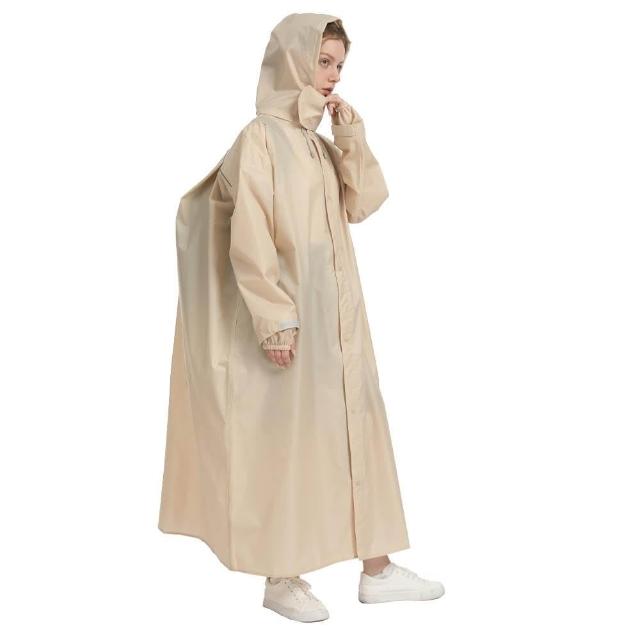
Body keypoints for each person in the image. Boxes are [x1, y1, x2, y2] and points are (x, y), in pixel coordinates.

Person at [158, 13, 445, 623]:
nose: (333, 74)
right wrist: (273, 319)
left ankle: (377, 568)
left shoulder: (317, 144)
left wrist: (350, 136)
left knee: (357, 429)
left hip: (339, 317)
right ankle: (281, 577)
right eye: (323, 61)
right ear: (292, 61)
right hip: (290, 320)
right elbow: (249, 234)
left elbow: (363, 203)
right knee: (283, 441)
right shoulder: (260, 139)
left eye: (339, 64)